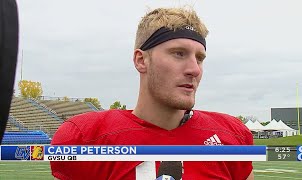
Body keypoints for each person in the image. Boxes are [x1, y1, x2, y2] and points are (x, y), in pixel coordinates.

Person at [50, 7, 254, 180]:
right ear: (141, 60)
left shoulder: (231, 136)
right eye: (178, 53)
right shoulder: (86, 139)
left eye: (199, 58)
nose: (195, 69)